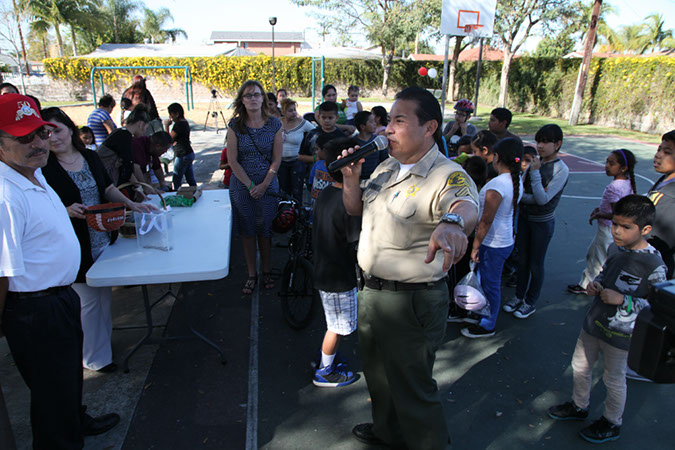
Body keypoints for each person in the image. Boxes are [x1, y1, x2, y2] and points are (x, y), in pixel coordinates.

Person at [340, 87, 479, 449]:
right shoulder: (386, 166)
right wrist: (352, 179)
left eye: (399, 121)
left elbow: (465, 204)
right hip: (371, 292)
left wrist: (450, 223)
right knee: (378, 376)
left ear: (430, 127)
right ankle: (387, 431)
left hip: (411, 301)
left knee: (413, 387)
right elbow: (356, 210)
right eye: (388, 120)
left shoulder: (445, 174)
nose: (388, 129)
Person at [0, 93, 120, 449]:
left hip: (58, 298)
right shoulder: (6, 193)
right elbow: (2, 271)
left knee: (66, 382)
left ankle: (76, 420)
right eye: (24, 138)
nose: (38, 143)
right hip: (35, 309)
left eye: (40, 132)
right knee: (51, 398)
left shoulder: (34, 174)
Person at [40, 107, 154, 372]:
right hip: (74, 246)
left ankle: (100, 348)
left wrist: (131, 205)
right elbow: (40, 206)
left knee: (102, 298)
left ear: (70, 128)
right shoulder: (44, 167)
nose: (52, 138)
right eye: (45, 133)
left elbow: (108, 188)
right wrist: (64, 211)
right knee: (88, 304)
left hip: (103, 240)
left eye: (56, 130)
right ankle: (94, 359)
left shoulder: (89, 157)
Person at [547, 195, 667, 444]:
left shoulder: (654, 265)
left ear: (645, 230)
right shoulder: (614, 248)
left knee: (613, 378)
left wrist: (624, 300)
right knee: (580, 366)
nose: (617, 232)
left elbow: (657, 306)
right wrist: (597, 284)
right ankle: (579, 406)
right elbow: (606, 274)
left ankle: (612, 422)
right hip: (594, 323)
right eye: (615, 224)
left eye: (626, 227)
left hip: (621, 335)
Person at [503, 124, 569, 319]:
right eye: (539, 141)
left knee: (535, 264)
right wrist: (523, 195)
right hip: (524, 219)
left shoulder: (560, 169)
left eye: (546, 141)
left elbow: (542, 199)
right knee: (522, 261)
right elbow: (521, 190)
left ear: (557, 144)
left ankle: (530, 302)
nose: (540, 145)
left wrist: (534, 173)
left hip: (542, 223)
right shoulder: (535, 162)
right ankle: (518, 296)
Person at [312, 136, 362, 387]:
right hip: (338, 277)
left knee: (333, 322)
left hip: (324, 270)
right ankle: (325, 370)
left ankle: (327, 357)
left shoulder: (325, 194)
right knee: (338, 327)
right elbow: (357, 245)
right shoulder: (349, 206)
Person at [462, 138, 523, 338]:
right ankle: (482, 313)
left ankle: (488, 324)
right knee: (486, 281)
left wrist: (475, 246)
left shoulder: (498, 184)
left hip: (493, 242)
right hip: (503, 239)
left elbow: (486, 220)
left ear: (496, 157)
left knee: (490, 284)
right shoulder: (515, 180)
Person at [227, 80, 282, 294]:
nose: (253, 99)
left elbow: (277, 160)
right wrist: (251, 185)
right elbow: (233, 161)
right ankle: (252, 273)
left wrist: (264, 184)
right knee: (248, 232)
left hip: (268, 186)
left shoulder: (274, 124)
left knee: (265, 230)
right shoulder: (235, 126)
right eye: (248, 95)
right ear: (241, 99)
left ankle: (267, 270)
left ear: (263, 98)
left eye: (257, 94)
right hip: (243, 187)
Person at [568, 149, 636, 295]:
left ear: (623, 168)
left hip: (607, 229)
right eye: (607, 162)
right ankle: (586, 284)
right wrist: (601, 209)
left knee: (599, 260)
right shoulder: (626, 183)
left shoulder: (614, 187)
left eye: (611, 163)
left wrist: (599, 214)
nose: (606, 165)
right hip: (608, 229)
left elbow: (617, 214)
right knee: (592, 254)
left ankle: (597, 289)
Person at [97, 104, 151, 187]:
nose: (145, 132)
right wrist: (141, 187)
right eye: (146, 128)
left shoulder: (120, 132)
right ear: (140, 124)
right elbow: (128, 166)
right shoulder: (124, 136)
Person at [646, 130, 675, 278]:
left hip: (652, 267)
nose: (658, 154)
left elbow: (659, 239)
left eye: (667, 152)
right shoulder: (665, 179)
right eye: (659, 149)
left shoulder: (670, 195)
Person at [279, 98, 315, 200]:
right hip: (281, 162)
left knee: (297, 192)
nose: (294, 113)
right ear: (283, 112)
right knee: (283, 192)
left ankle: (298, 213)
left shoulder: (302, 123)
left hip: (297, 162)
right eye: (290, 111)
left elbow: (316, 132)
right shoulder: (277, 123)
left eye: (295, 110)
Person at [299, 101, 345, 168]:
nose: (327, 120)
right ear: (318, 117)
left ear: (337, 118)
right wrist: (316, 159)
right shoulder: (312, 135)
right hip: (314, 172)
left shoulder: (342, 137)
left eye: (330, 118)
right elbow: (300, 156)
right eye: (323, 117)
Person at [164, 103, 196, 191]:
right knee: (190, 178)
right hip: (188, 153)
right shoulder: (185, 123)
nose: (170, 117)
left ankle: (176, 196)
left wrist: (166, 126)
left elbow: (168, 139)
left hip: (182, 155)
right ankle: (195, 192)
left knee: (177, 179)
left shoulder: (178, 125)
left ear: (177, 114)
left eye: (171, 114)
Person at [353, 110, 388, 179]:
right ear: (362, 126)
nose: (375, 124)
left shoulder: (378, 141)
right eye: (371, 122)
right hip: (358, 179)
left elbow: (385, 160)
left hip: (375, 178)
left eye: (374, 121)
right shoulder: (353, 142)